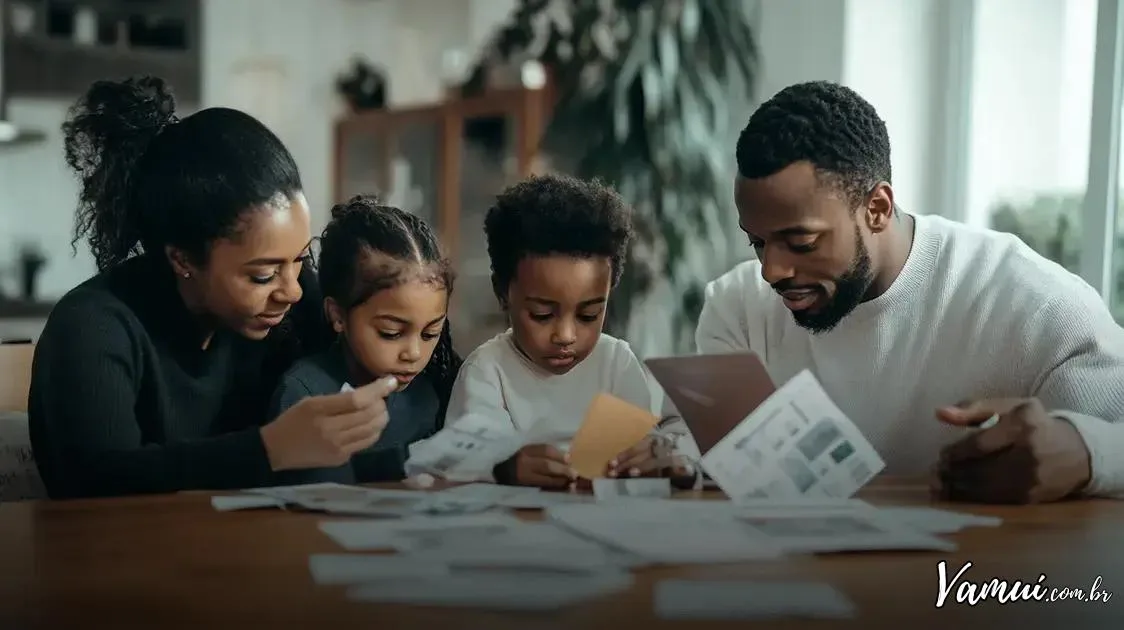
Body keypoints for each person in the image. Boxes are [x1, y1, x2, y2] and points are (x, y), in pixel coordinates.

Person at [673, 80, 1124, 503]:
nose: (772, 271)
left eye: (802, 243)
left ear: (877, 208)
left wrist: (1085, 452)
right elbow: (708, 462)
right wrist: (675, 451)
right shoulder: (737, 308)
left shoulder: (1036, 304)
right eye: (757, 242)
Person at [29, 76, 397, 499]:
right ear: (182, 258)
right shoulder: (93, 327)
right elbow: (97, 481)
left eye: (300, 259)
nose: (292, 290)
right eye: (262, 275)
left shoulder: (293, 303)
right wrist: (270, 448)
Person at [441, 174, 668, 489]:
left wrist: (649, 458)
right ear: (502, 293)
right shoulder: (488, 372)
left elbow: (645, 453)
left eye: (589, 315)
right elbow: (461, 462)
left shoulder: (617, 362)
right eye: (542, 314)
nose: (565, 335)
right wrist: (504, 468)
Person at [270, 195, 461, 483]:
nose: (413, 353)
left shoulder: (427, 395)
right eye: (391, 333)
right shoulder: (305, 394)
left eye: (430, 333)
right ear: (338, 316)